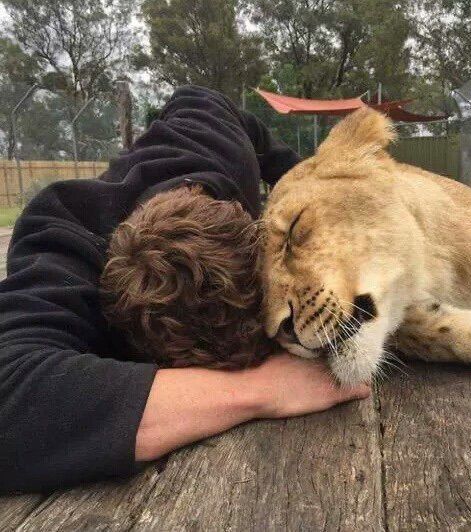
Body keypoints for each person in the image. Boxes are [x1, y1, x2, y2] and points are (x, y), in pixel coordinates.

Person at [0, 86, 369, 494]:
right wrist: (257, 390)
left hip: (204, 111)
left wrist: (302, 183)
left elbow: (203, 100)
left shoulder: (218, 137)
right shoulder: (59, 233)